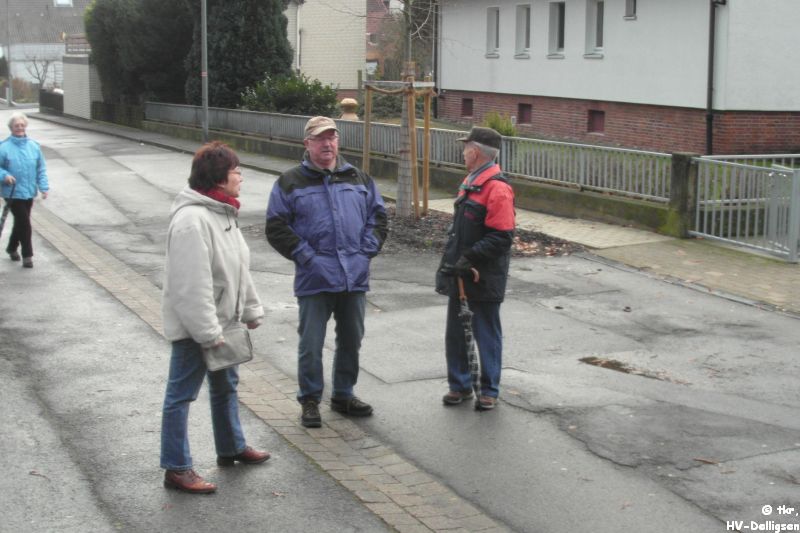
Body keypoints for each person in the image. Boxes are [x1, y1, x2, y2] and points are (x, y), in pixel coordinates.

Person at [160, 141, 269, 494]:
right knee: (181, 396)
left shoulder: (222, 213)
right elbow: (190, 285)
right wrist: (207, 332)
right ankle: (177, 468)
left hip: (224, 322)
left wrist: (250, 309)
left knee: (226, 387)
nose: (241, 177)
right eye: (237, 171)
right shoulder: (192, 220)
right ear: (220, 177)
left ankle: (231, 447)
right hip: (199, 328)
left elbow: (238, 268)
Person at [266, 116, 388, 428]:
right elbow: (277, 227)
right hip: (315, 277)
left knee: (351, 339)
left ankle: (343, 394)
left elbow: (378, 218)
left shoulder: (359, 178)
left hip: (353, 275)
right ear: (307, 143)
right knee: (311, 343)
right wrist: (308, 258)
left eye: (332, 138)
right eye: (320, 139)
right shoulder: (290, 182)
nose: (328, 144)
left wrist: (365, 254)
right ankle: (309, 399)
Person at [436, 127, 515, 411]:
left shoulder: (497, 188)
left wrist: (469, 258)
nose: (462, 151)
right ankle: (459, 386)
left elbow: (502, 236)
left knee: (485, 331)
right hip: (461, 271)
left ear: (476, 151)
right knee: (456, 331)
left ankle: (489, 390)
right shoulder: (471, 181)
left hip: (483, 275)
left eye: (465, 146)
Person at [0, 112, 49, 268]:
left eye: (22, 125)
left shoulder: (34, 146)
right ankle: (27, 256)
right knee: (25, 223)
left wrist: (44, 187)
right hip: (12, 193)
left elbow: (40, 168)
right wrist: (5, 175)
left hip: (28, 192)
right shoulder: (4, 147)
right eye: (16, 126)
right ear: (11, 128)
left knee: (21, 222)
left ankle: (11, 248)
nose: (19, 128)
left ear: (25, 126)